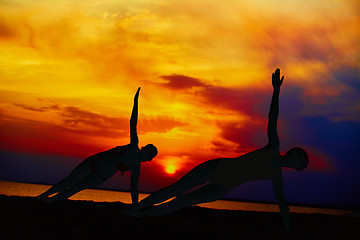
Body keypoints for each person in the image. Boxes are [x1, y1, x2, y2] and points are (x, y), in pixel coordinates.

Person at [125, 69, 308, 232]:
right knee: (175, 189)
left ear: (296, 168)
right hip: (217, 167)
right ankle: (133, 209)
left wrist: (288, 229)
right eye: (298, 153)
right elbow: (273, 117)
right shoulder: (273, 147)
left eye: (300, 161)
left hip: (223, 187)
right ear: (292, 151)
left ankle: (139, 216)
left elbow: (282, 204)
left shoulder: (276, 176)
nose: (296, 158)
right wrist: (276, 90)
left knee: (181, 202)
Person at [37, 87, 157, 203]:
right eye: (146, 152)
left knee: (77, 188)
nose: (146, 157)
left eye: (148, 157)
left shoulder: (136, 168)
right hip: (94, 162)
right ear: (143, 150)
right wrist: (135, 101)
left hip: (101, 176)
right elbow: (133, 122)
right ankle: (42, 197)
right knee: (70, 181)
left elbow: (134, 188)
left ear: (148, 160)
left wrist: (134, 206)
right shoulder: (133, 146)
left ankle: (50, 201)